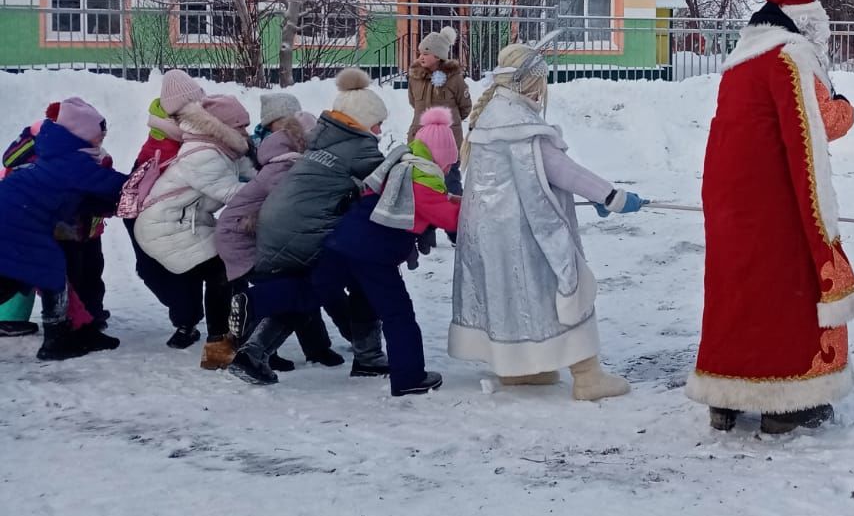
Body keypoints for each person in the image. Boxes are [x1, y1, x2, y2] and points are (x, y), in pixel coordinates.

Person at [685, 0, 854, 434]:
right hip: (776, 196)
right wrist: (845, 105)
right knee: (784, 292)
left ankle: (725, 398)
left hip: (729, 197)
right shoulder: (790, 58)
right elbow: (815, 125)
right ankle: (787, 403)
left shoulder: (738, 64)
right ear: (807, 25)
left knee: (735, 291)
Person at [449, 41, 641, 400]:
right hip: (528, 234)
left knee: (512, 296)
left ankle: (523, 368)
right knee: (564, 289)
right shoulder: (521, 126)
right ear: (529, 82)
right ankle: (588, 376)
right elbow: (562, 171)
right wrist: (612, 197)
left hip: (489, 235)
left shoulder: (490, 119)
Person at [239, 107, 462, 393]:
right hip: (374, 256)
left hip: (342, 241)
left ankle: (253, 300)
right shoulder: (423, 181)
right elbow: (450, 218)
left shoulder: (399, 165)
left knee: (311, 291)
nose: (447, 170)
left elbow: (436, 201)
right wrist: (475, 207)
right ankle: (409, 378)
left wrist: (455, 199)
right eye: (449, 164)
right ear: (441, 158)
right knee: (398, 315)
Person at [252, 68, 391, 378]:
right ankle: (368, 356)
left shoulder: (322, 139)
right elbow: (386, 186)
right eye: (378, 123)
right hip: (302, 233)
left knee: (306, 288)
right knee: (353, 276)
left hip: (278, 225)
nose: (380, 131)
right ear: (362, 121)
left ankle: (253, 352)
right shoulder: (361, 148)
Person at [0, 98, 127, 361]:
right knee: (32, 271)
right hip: (18, 218)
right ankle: (56, 341)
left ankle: (59, 336)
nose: (101, 139)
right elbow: (115, 185)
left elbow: (85, 194)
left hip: (14, 211)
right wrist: (146, 178)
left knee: (36, 271)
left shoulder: (59, 150)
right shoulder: (74, 161)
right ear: (83, 134)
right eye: (98, 134)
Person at [134, 94, 254, 369]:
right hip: (165, 229)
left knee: (227, 268)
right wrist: (281, 191)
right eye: (241, 127)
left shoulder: (219, 148)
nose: (246, 133)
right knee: (223, 270)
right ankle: (219, 347)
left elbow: (247, 173)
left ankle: (229, 339)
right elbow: (234, 193)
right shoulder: (202, 155)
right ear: (223, 127)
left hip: (186, 224)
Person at [215, 111, 341, 370]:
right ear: (302, 141)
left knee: (295, 287)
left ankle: (316, 349)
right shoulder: (283, 168)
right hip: (241, 238)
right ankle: (246, 352)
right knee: (276, 293)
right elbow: (296, 204)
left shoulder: (286, 163)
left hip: (252, 235)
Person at [124, 69, 209, 347]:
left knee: (181, 265)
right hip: (149, 208)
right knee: (152, 269)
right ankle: (186, 315)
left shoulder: (199, 126)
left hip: (179, 208)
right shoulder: (168, 133)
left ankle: (186, 322)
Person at [408, 27, 471, 183]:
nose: (421, 57)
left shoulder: (454, 78)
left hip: (447, 142)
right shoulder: (415, 77)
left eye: (426, 53)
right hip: (420, 139)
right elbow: (413, 102)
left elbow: (465, 106)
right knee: (422, 182)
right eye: (420, 53)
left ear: (438, 55)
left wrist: (450, 123)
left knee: (450, 182)